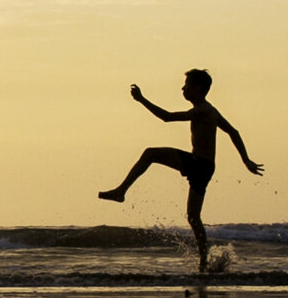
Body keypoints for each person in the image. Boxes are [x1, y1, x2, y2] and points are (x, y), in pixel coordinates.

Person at [96, 69, 262, 272]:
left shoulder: (202, 110)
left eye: (187, 85)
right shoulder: (211, 110)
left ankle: (121, 191)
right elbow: (233, 132)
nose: (183, 88)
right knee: (193, 217)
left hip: (198, 163)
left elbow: (167, 117)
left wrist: (141, 99)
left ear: (199, 88)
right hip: (205, 166)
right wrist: (246, 160)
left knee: (150, 153)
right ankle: (204, 263)